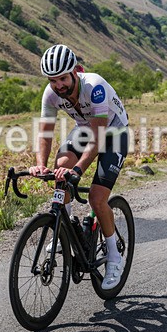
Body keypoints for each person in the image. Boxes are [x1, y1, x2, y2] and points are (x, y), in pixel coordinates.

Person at [29, 44, 129, 290]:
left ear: (76, 71)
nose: (58, 85)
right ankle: (65, 227)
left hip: (113, 133)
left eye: (63, 78)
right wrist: (41, 165)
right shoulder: (50, 94)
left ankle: (114, 257)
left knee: (96, 198)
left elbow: (98, 137)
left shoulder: (94, 87)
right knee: (60, 169)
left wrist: (78, 170)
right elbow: (45, 133)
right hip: (85, 129)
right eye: (53, 80)